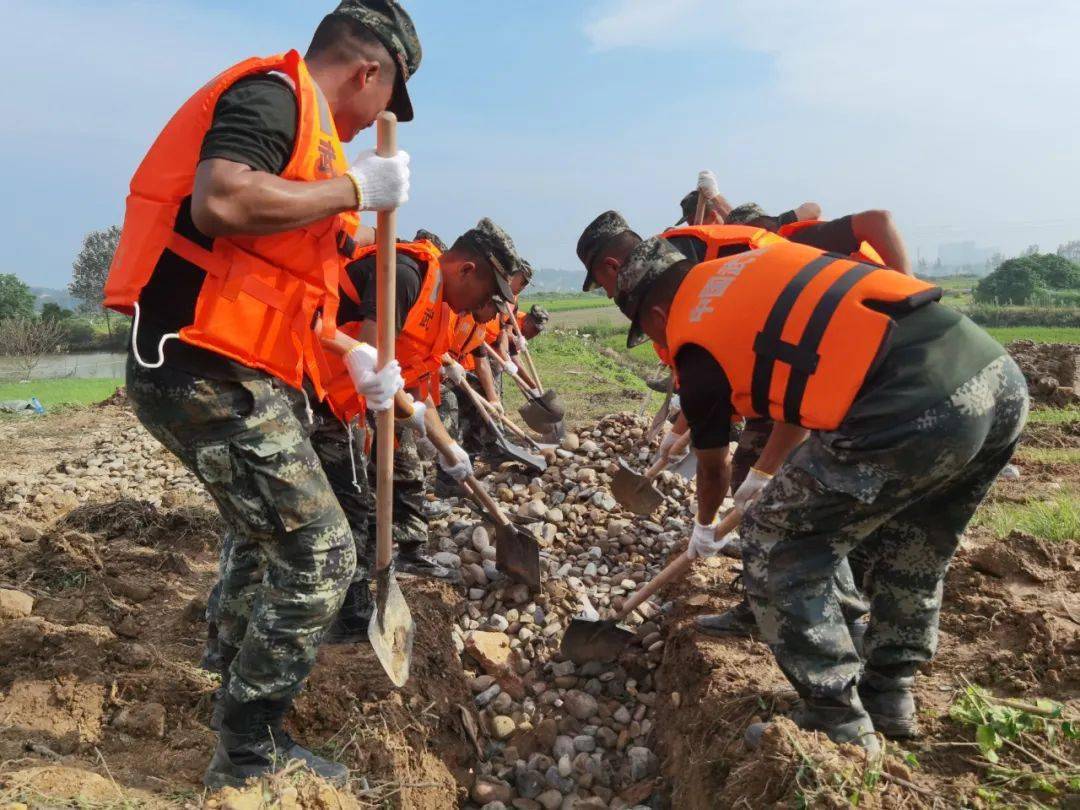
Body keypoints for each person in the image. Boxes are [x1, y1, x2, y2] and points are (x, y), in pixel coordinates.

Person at [104, 0, 421, 787]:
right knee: (319, 549)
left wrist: (353, 358)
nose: (379, 118)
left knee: (262, 533)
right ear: (367, 72)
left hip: (229, 367)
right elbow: (222, 202)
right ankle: (248, 751)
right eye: (388, 100)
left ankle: (226, 662)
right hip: (197, 369)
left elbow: (285, 300)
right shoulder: (275, 99)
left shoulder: (309, 142)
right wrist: (353, 189)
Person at [614, 229, 1027, 754]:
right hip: (996, 376)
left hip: (908, 400)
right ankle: (889, 694)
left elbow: (713, 470)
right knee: (917, 544)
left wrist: (704, 529)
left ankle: (835, 717)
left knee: (775, 542)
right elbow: (801, 393)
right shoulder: (753, 270)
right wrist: (766, 476)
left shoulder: (693, 337)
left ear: (653, 316)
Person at [316, 219, 525, 615]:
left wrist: (450, 450)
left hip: (347, 403)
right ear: (467, 270)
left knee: (353, 502)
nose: (487, 306)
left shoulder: (440, 305)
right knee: (351, 505)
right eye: (488, 292)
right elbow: (373, 360)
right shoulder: (406, 275)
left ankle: (351, 601)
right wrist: (410, 412)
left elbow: (411, 387)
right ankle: (351, 613)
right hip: (314, 390)